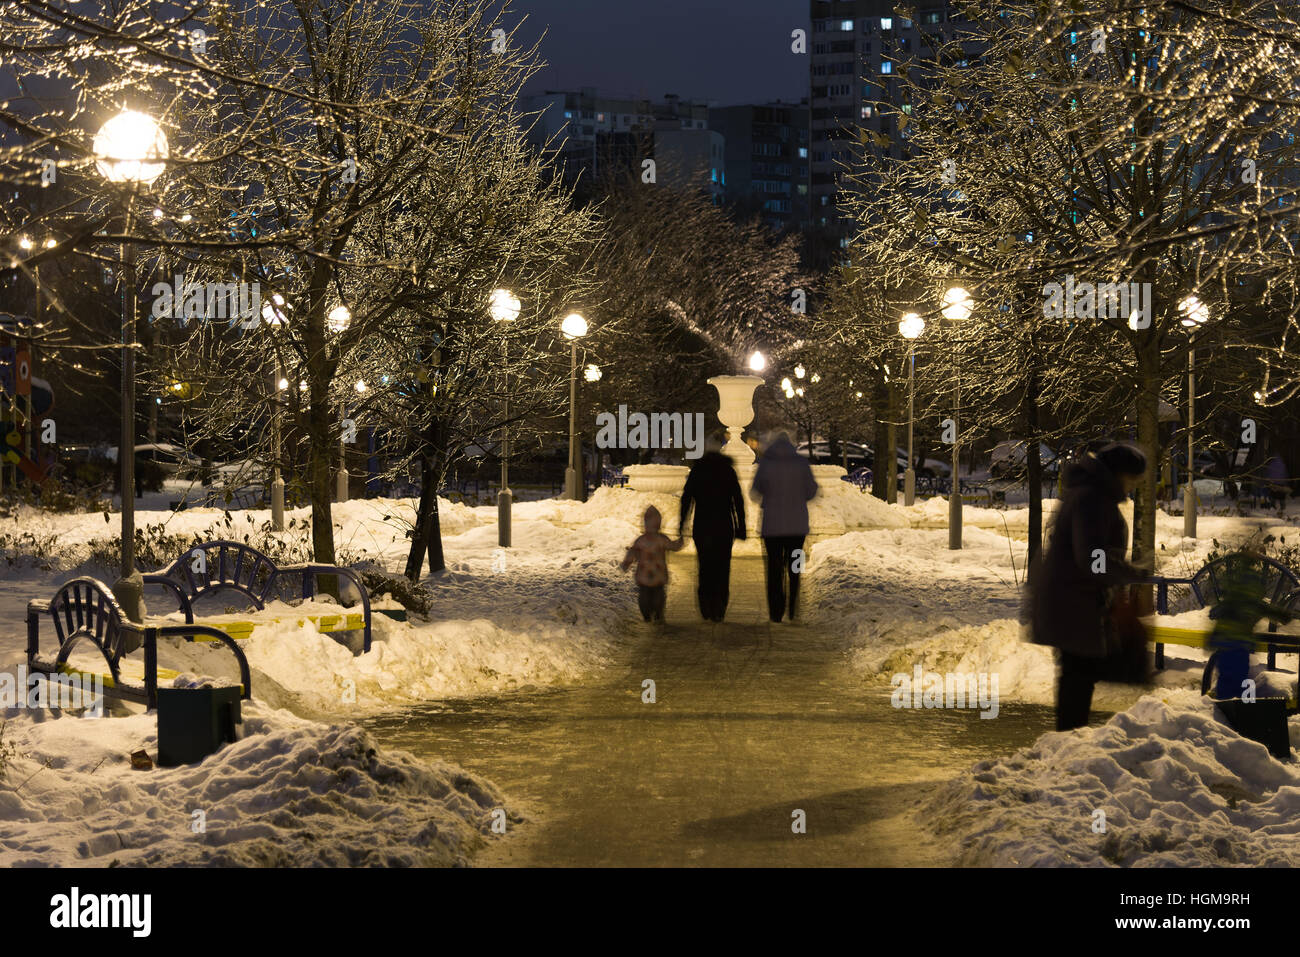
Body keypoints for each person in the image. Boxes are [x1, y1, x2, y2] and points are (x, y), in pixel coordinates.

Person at [1027, 441, 1150, 731]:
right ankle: (1068, 747)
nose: (1133, 487)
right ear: (1119, 474)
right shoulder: (1092, 499)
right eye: (1133, 479)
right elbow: (1092, 558)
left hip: (1072, 602)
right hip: (1073, 604)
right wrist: (1130, 572)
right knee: (1077, 676)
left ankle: (1070, 743)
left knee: (1078, 675)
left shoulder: (1089, 493)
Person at [750, 432, 819, 623]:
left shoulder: (766, 464)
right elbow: (812, 490)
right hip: (797, 527)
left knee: (774, 568)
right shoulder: (801, 463)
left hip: (772, 527)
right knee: (795, 565)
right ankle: (793, 607)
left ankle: (775, 611)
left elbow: (755, 491)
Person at [679, 449, 746, 622]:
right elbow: (737, 499)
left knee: (704, 566)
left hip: (703, 526)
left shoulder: (698, 471)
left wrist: (682, 523)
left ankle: (706, 607)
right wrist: (741, 526)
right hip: (724, 525)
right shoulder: (728, 471)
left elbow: (687, 498)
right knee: (723, 568)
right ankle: (720, 608)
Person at [620, 505, 684, 623]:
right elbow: (673, 546)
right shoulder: (661, 539)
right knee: (656, 597)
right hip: (658, 574)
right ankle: (656, 614)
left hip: (644, 575)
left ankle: (648, 615)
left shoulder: (641, 540)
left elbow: (632, 553)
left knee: (646, 598)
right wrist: (680, 542)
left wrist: (626, 563)